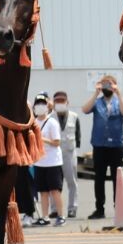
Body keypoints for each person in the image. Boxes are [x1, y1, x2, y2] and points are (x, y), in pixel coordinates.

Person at [83, 75, 123, 219]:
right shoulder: (97, 102)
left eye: (110, 84)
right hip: (100, 145)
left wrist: (119, 93)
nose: (107, 87)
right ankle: (99, 208)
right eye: (105, 84)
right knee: (99, 178)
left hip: (116, 145)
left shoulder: (118, 101)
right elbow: (85, 109)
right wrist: (96, 92)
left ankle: (119, 208)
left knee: (118, 179)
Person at [31, 93, 64, 227]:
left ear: (47, 106)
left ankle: (61, 215)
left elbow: (56, 142)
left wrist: (40, 138)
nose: (40, 106)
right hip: (39, 161)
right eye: (37, 104)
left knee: (55, 190)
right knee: (43, 191)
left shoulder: (52, 123)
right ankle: (45, 217)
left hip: (53, 162)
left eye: (42, 104)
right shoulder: (33, 123)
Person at [51, 91, 80, 219]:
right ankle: (54, 209)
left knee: (72, 182)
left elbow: (78, 135)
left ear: (67, 102)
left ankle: (72, 208)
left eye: (62, 101)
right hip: (54, 153)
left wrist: (76, 152)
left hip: (69, 153)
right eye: (57, 101)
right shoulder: (49, 117)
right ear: (53, 103)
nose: (60, 103)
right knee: (54, 183)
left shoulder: (74, 116)